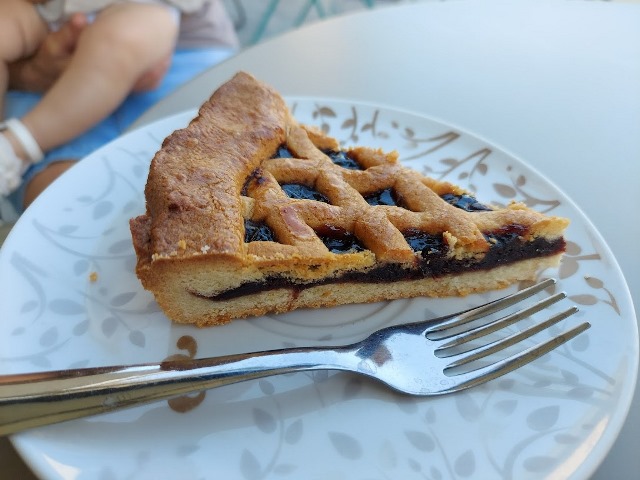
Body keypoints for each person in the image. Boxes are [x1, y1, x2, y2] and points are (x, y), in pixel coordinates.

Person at [1, 0, 239, 220]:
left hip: (180, 46)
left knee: (205, 185)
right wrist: (25, 73)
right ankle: (14, 148)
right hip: (43, 58)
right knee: (63, 207)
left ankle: (17, 145)